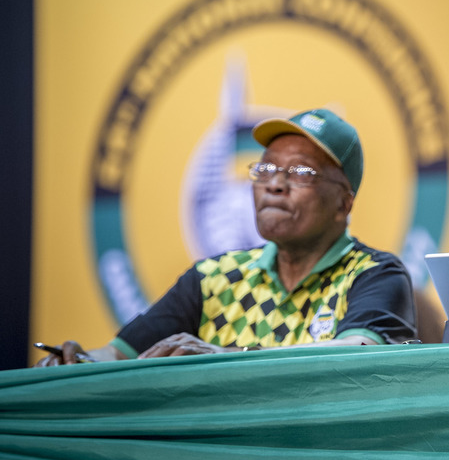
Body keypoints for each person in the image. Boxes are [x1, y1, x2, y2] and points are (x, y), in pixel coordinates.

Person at [36, 108, 417, 365]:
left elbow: (357, 354)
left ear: (343, 203)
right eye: (265, 168)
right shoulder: (214, 278)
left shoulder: (375, 273)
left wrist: (224, 355)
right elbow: (119, 355)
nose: (275, 185)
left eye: (301, 173)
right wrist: (75, 362)